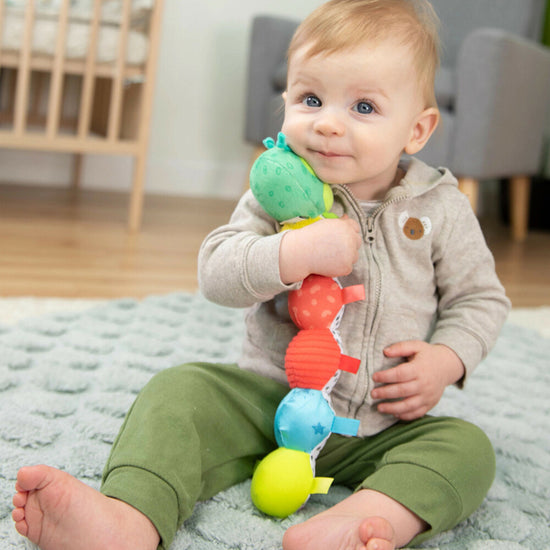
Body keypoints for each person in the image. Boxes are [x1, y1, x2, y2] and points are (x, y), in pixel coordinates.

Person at [12, 1, 510, 549]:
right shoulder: (278, 192)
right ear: (287, 99)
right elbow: (216, 270)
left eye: (363, 106)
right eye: (310, 99)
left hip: (380, 423)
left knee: (467, 449)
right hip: (265, 401)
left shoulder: (441, 208)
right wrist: (290, 252)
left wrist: (448, 360)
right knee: (179, 392)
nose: (325, 121)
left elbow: (481, 300)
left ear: (416, 130)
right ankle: (127, 520)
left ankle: (365, 522)